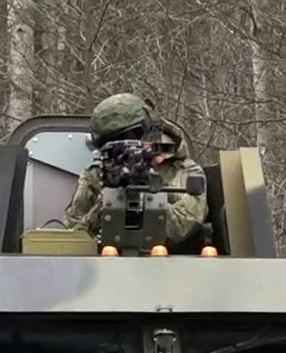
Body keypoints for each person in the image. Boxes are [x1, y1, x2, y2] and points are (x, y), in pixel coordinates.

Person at [61, 93, 209, 248]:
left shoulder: (183, 170)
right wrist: (104, 204)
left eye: (133, 135)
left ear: (152, 131)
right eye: (113, 141)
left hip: (167, 259)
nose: (125, 145)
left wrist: (141, 197)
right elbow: (72, 235)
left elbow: (183, 225)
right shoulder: (96, 174)